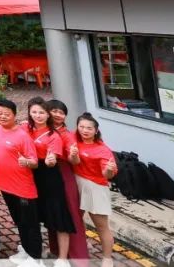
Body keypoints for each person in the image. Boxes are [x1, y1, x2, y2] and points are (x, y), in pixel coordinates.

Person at [25, 97, 76, 267]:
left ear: (48, 115)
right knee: (36, 215)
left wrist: (51, 160)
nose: (38, 115)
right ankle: (33, 251)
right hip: (30, 175)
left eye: (41, 112)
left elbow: (52, 158)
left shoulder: (54, 135)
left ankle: (63, 258)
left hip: (49, 176)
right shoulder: (26, 128)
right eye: (34, 112)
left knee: (58, 215)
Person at [0, 99, 41, 265]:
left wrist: (26, 162)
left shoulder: (22, 136)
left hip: (22, 188)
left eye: (6, 114)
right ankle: (26, 249)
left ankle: (35, 257)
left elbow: (34, 162)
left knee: (30, 223)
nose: (2, 116)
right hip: (6, 186)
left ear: (14, 115)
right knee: (19, 221)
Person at [68, 112, 118, 267]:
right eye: (81, 126)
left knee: (101, 226)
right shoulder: (74, 138)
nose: (84, 130)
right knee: (77, 219)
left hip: (95, 187)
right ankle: (83, 243)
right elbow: (74, 162)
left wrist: (109, 170)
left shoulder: (103, 150)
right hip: (77, 182)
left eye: (89, 128)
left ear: (96, 130)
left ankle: (107, 258)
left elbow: (107, 175)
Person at [46, 100, 90, 263]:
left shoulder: (67, 135)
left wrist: (73, 155)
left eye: (62, 112)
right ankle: (56, 249)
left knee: (71, 214)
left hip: (64, 175)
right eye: (54, 111)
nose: (58, 115)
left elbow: (74, 160)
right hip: (47, 175)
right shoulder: (44, 130)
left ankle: (78, 256)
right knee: (53, 214)